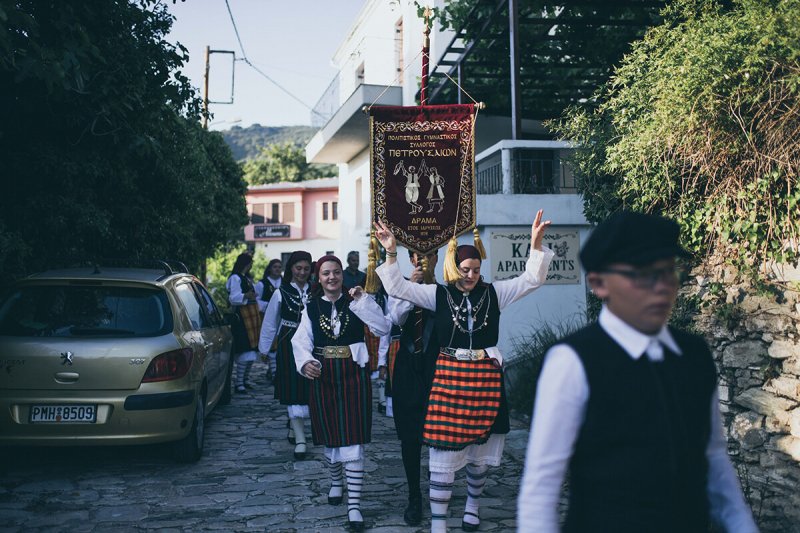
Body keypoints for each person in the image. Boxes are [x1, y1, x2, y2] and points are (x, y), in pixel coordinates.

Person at [516, 211, 758, 533]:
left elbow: (713, 456)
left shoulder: (694, 355)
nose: (661, 287)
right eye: (643, 274)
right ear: (599, 283)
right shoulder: (573, 361)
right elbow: (541, 488)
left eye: (668, 272)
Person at [374, 210, 554, 533]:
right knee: (442, 451)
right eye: (464, 269)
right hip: (449, 380)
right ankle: (439, 525)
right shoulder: (438, 295)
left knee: (480, 451)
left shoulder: (494, 293)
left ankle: (472, 507)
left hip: (485, 379)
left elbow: (531, 280)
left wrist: (536, 245)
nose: (470, 275)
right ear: (453, 268)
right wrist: (390, 252)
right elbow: (398, 288)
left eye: (475, 270)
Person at [292, 255, 392, 532]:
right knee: (331, 435)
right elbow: (300, 340)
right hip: (324, 374)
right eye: (326, 273)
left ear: (342, 275)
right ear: (319, 277)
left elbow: (383, 327)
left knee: (353, 437)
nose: (332, 277)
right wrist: (305, 362)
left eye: (336, 272)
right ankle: (336, 482)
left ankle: (355, 506)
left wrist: (363, 301)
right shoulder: (311, 307)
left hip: (353, 373)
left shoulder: (356, 301)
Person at [385, 249, 440, 526]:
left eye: (430, 255)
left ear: (439, 258)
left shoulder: (446, 291)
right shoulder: (400, 289)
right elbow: (395, 319)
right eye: (419, 256)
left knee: (440, 436)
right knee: (410, 437)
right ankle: (414, 496)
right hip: (408, 366)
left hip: (438, 367)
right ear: (411, 260)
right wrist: (413, 286)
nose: (424, 260)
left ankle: (440, 491)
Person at [258, 251, 312, 460]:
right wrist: (264, 349)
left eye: (306, 269)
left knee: (308, 387)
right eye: (298, 268)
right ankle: (300, 439)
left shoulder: (316, 290)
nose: (302, 272)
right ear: (291, 268)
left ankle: (294, 426)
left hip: (312, 342)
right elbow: (271, 321)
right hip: (288, 343)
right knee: (292, 387)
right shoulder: (281, 292)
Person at [226, 252, 260, 393]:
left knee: (251, 350)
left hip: (250, 317)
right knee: (245, 349)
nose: (252, 265)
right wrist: (247, 295)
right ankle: (238, 383)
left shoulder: (245, 278)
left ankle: (244, 380)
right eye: (250, 262)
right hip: (242, 318)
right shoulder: (235, 278)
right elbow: (233, 298)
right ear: (246, 263)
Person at [256, 258, 283, 380]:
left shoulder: (285, 282)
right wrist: (270, 305)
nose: (277, 269)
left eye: (279, 267)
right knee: (271, 344)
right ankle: (273, 374)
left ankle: (274, 371)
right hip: (267, 316)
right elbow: (256, 301)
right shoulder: (262, 284)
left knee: (278, 345)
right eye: (275, 267)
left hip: (282, 318)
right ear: (270, 269)